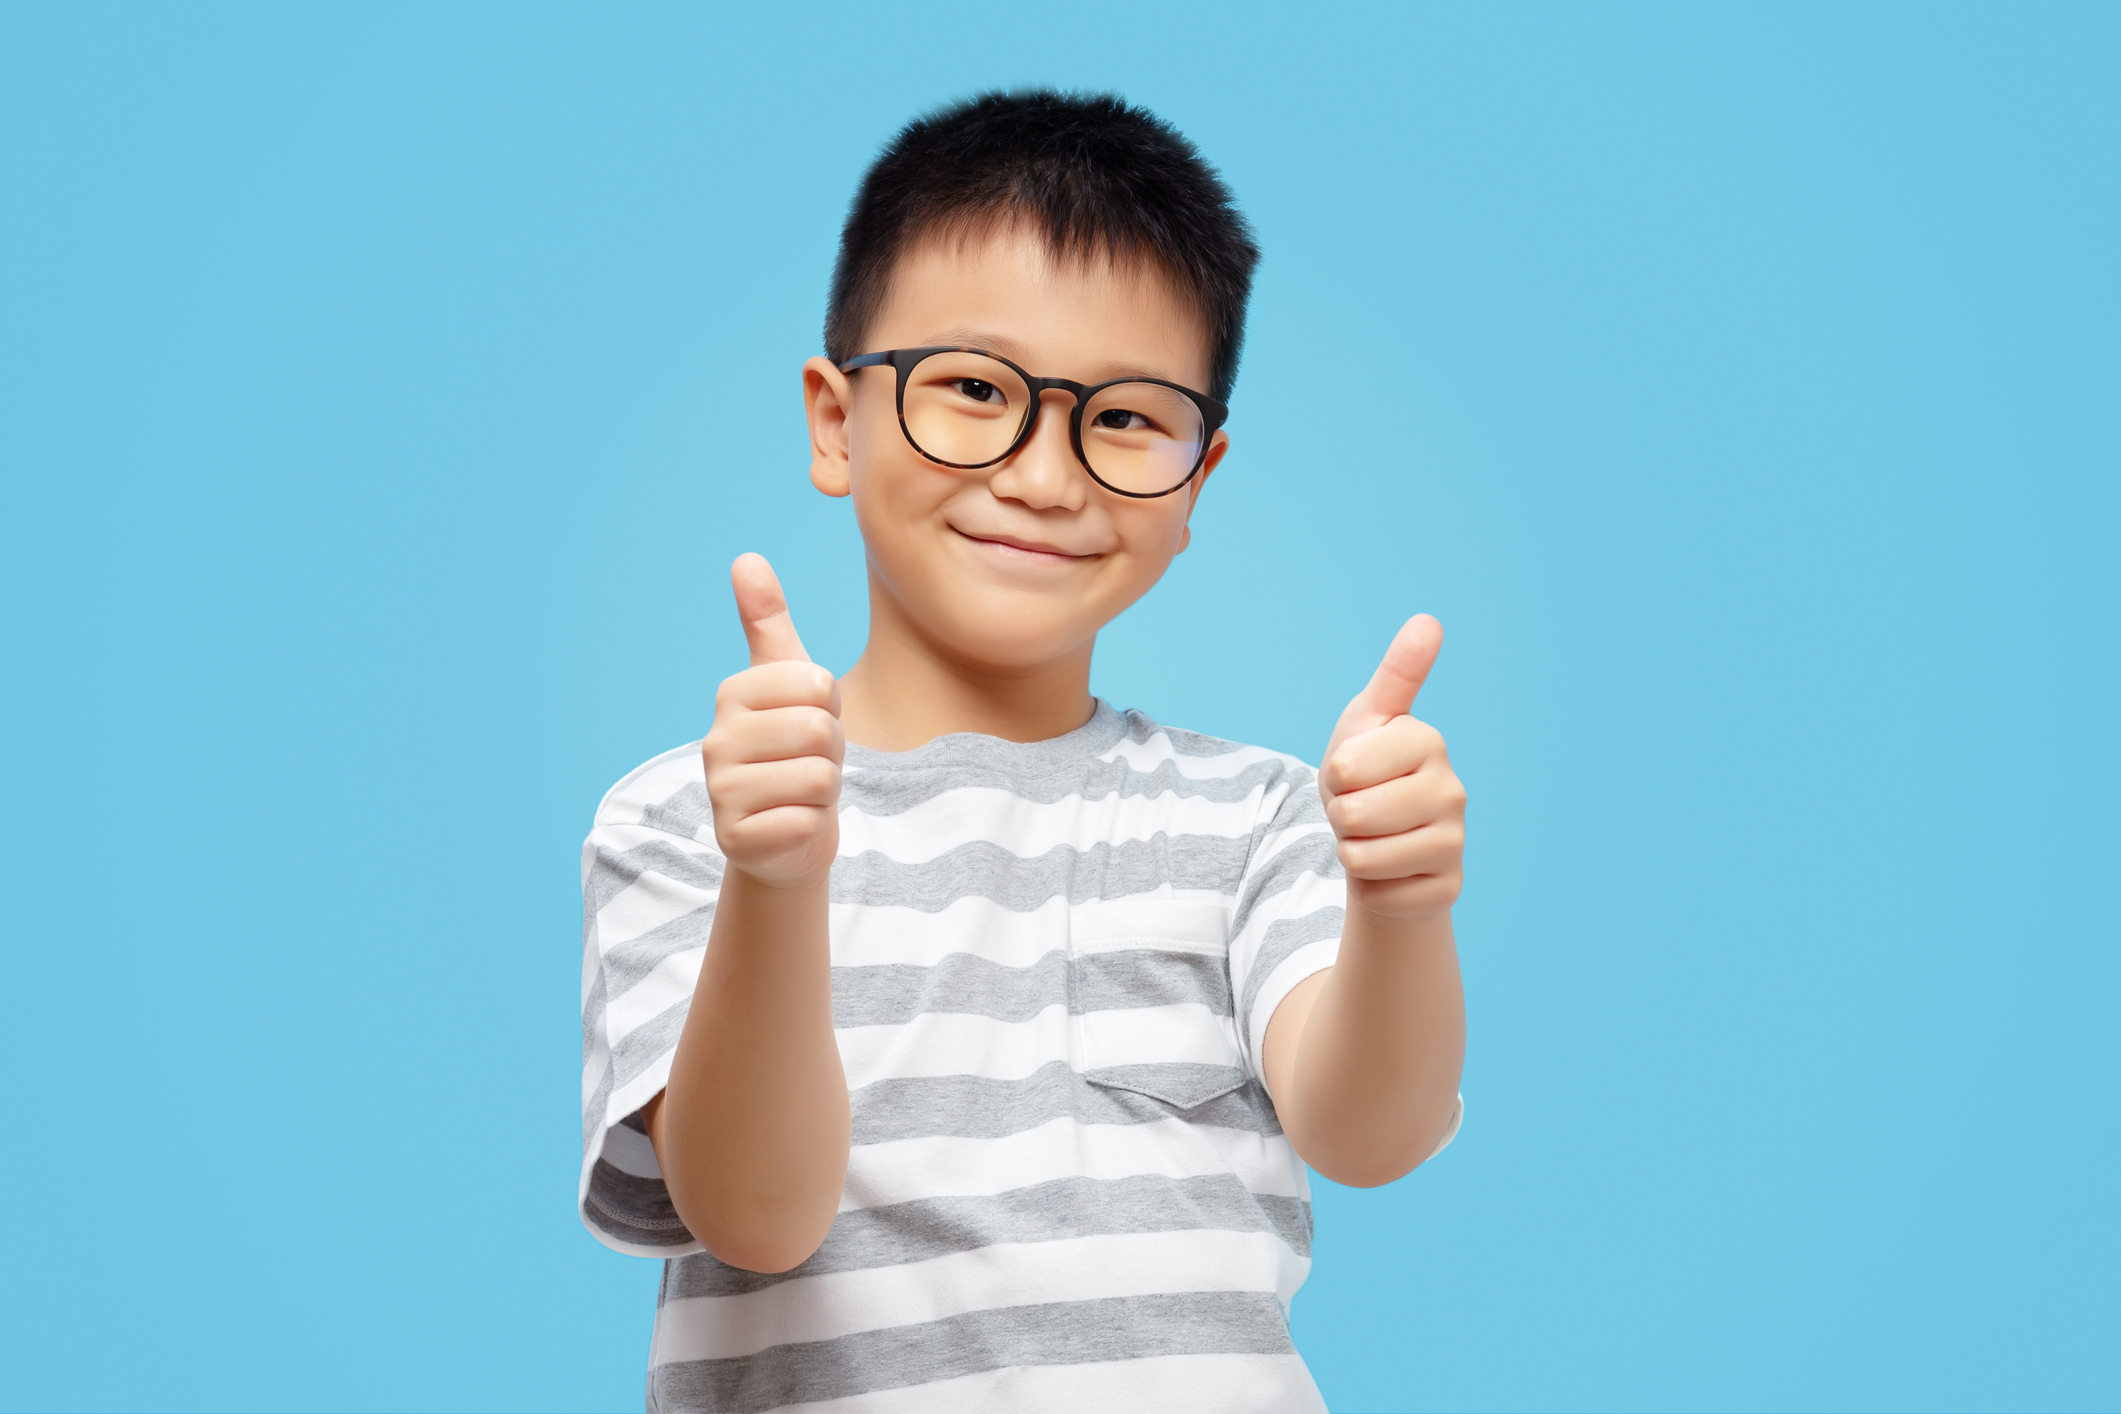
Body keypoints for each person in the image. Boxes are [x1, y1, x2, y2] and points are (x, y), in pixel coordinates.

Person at [578, 89, 1467, 1414]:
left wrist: (1400, 906)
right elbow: (756, 1213)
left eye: (1123, 418)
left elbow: (1368, 1131)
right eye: (975, 389)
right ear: (836, 418)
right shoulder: (688, 814)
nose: (1045, 477)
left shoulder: (1258, 815)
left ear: (1197, 481)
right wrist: (774, 880)